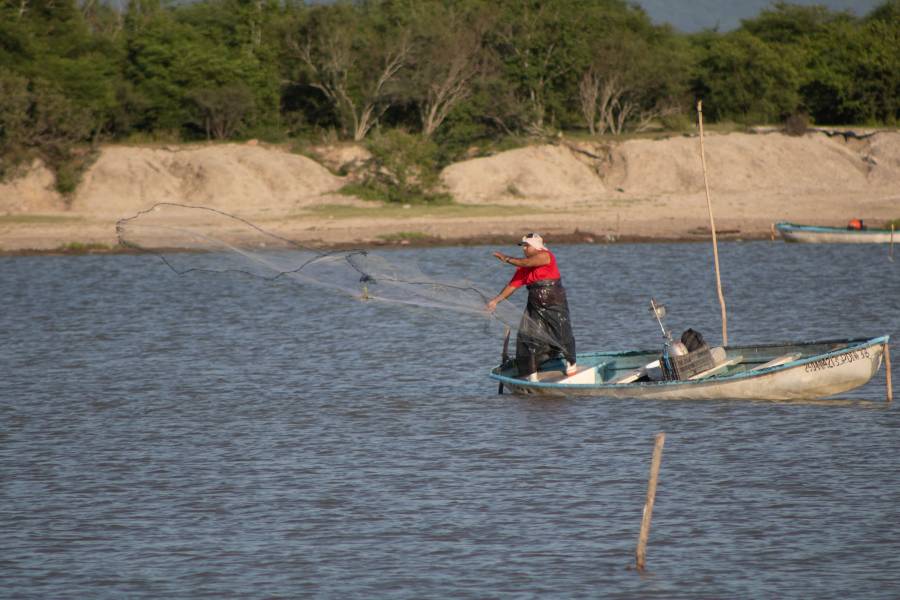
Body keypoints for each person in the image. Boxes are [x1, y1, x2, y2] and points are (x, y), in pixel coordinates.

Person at [486, 233, 577, 381]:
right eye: (523, 246)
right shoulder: (523, 267)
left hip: (554, 300)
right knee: (527, 336)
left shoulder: (546, 256)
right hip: (534, 303)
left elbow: (526, 263)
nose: (524, 249)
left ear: (536, 246)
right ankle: (532, 374)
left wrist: (506, 259)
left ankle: (571, 365)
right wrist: (495, 301)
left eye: (526, 246)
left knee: (561, 330)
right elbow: (512, 286)